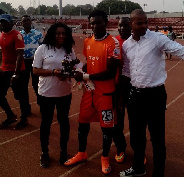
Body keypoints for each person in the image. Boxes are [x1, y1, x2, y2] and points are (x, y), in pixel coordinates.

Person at [119, 9, 184, 177]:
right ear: (130, 25)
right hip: (134, 96)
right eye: (139, 23)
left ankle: (158, 173)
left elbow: (182, 51)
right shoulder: (127, 45)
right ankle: (138, 167)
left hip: (155, 96)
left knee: (157, 139)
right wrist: (122, 95)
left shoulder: (157, 39)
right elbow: (126, 71)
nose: (144, 26)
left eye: (146, 22)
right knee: (136, 137)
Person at [64, 10, 120, 175]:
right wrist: (79, 75)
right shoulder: (88, 41)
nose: (95, 26)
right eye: (92, 23)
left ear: (106, 22)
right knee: (82, 124)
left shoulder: (113, 43)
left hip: (106, 94)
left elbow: (110, 72)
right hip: (89, 92)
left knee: (106, 129)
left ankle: (104, 157)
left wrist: (85, 75)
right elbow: (88, 64)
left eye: (98, 22)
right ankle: (82, 153)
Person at [32, 22, 76, 168]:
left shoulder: (69, 50)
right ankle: (44, 152)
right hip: (46, 93)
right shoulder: (42, 49)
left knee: (64, 123)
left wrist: (68, 74)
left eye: (64, 33)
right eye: (58, 33)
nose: (61, 36)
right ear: (52, 34)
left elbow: (74, 68)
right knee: (46, 123)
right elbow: (36, 71)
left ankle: (64, 151)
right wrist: (53, 72)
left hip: (64, 93)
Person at [0, 14, 29, 130]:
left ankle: (24, 119)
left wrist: (16, 73)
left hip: (17, 71)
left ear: (11, 23)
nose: (2, 24)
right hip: (4, 70)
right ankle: (11, 115)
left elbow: (19, 56)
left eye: (5, 22)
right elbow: (1, 53)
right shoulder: (1, 35)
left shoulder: (17, 35)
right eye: (1, 22)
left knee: (20, 96)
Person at [113, 17, 132, 163]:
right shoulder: (113, 42)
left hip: (135, 85)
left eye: (126, 25)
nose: (123, 28)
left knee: (136, 120)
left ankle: (139, 150)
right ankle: (120, 147)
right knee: (117, 120)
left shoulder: (138, 41)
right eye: (121, 26)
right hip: (117, 86)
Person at [20, 15, 43, 108]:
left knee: (36, 84)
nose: (26, 22)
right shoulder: (19, 35)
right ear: (21, 23)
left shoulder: (38, 34)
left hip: (35, 62)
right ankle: (26, 107)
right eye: (24, 21)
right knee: (23, 85)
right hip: (23, 62)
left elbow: (43, 48)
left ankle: (41, 103)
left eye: (28, 20)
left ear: (31, 21)